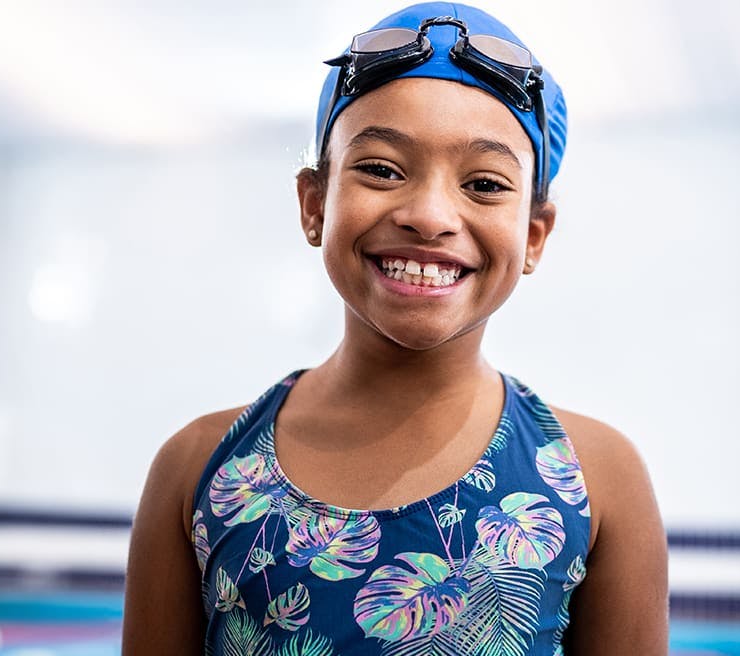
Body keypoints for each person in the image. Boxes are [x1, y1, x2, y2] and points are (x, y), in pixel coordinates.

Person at [122, 3, 668, 654]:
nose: (429, 215)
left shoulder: (596, 479)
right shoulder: (199, 470)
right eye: (382, 169)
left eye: (484, 183)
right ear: (314, 203)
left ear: (533, 236)